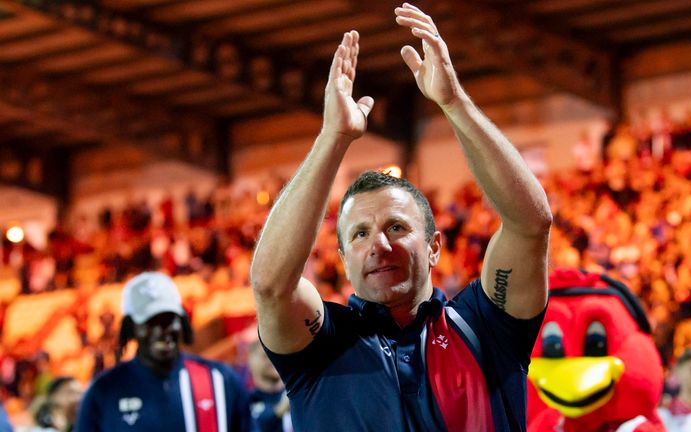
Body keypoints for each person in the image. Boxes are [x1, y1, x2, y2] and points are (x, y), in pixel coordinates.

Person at [250, 3, 551, 431]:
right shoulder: (320, 343)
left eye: (396, 226)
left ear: (433, 247)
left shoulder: (486, 326)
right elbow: (270, 286)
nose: (379, 244)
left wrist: (453, 102)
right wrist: (332, 138)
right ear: (342, 257)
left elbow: (530, 224)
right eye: (359, 234)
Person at [76, 272, 251, 432]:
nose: (161, 330)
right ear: (130, 327)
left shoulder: (221, 382)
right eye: (150, 322)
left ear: (181, 321)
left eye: (168, 319)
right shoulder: (103, 392)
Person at [247, 337, 291, 432]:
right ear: (251, 361)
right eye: (265, 356)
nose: (273, 360)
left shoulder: (294, 389)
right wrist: (282, 408)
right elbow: (257, 424)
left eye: (276, 355)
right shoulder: (248, 400)